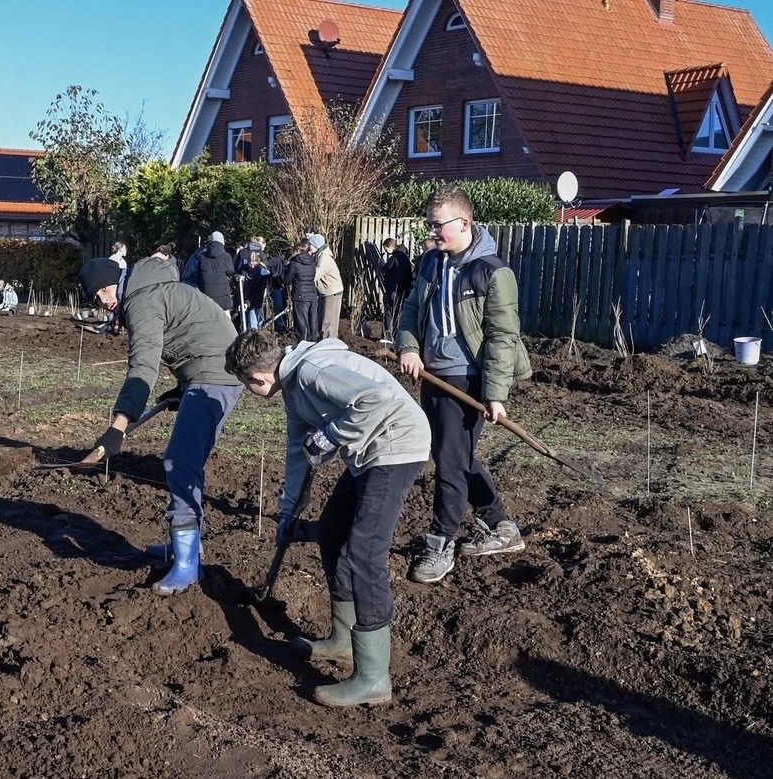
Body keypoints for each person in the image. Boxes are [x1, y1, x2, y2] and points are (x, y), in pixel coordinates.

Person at [224, 328, 429, 707]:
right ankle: (342, 639)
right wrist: (287, 513)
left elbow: (378, 398)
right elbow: (298, 451)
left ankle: (373, 677)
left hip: (396, 445)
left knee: (363, 554)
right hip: (368, 452)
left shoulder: (311, 372)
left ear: (258, 378)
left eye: (246, 385)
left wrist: (331, 435)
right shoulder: (293, 384)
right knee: (332, 531)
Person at [78, 256, 243, 596]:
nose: (104, 304)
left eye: (100, 296)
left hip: (216, 375)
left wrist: (118, 426)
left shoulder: (141, 301)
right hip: (209, 369)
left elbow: (143, 366)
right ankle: (186, 547)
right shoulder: (150, 288)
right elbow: (191, 331)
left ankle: (186, 564)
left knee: (180, 462)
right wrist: (183, 386)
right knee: (185, 461)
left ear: (110, 286)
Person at [398, 183, 532, 584]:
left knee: (450, 464)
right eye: (429, 224)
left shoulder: (493, 271)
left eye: (437, 226)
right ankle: (501, 526)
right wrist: (408, 347)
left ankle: (441, 544)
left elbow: (502, 336)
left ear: (464, 223)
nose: (431, 232)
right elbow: (410, 310)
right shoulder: (430, 264)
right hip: (432, 374)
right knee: (453, 455)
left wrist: (495, 394)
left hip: (468, 378)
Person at [310, 233, 343, 340]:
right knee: (325, 319)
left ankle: (329, 343)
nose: (308, 246)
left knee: (328, 320)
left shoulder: (324, 258)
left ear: (316, 245)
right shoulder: (320, 255)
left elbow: (315, 275)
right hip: (327, 291)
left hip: (331, 292)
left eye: (310, 244)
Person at [283, 239, 318, 341]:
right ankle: (314, 342)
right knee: (313, 322)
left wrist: (285, 269)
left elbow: (287, 280)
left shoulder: (294, 263)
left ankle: (303, 343)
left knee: (301, 323)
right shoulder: (312, 262)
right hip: (312, 295)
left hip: (300, 296)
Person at [380, 238, 413, 339]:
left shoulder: (397, 257)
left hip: (395, 290)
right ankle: (393, 336)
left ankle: (388, 336)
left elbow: (392, 272)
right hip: (399, 290)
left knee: (390, 313)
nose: (385, 251)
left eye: (386, 248)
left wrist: (394, 290)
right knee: (396, 313)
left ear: (391, 246)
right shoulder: (402, 255)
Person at [196, 231, 235, 315]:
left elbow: (198, 275)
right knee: (226, 323)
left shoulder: (202, 256)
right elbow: (231, 272)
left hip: (206, 298)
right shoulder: (226, 256)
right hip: (223, 298)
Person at [235, 241, 271, 330]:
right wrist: (237, 277)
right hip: (245, 300)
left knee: (253, 324)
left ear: (258, 262)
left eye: (254, 263)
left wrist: (248, 303)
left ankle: (254, 340)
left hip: (255, 302)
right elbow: (240, 286)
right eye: (250, 263)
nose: (251, 266)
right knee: (244, 324)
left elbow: (259, 293)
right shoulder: (244, 270)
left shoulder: (262, 273)